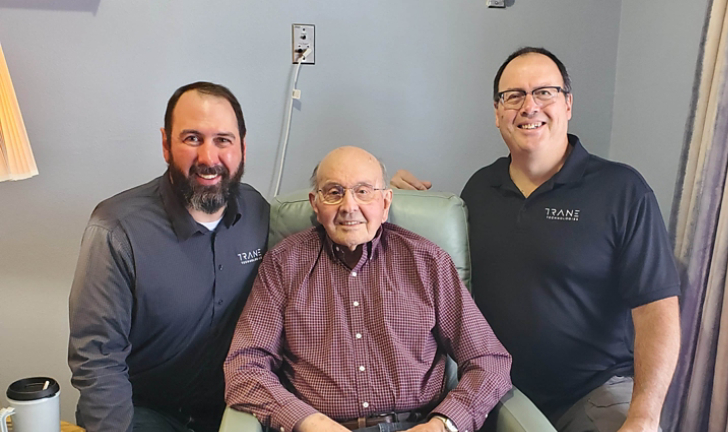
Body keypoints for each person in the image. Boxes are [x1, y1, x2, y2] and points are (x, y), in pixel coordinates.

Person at [391, 47, 681, 432]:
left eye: (544, 92)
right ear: (497, 113)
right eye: (514, 96)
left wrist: (644, 417)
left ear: (568, 104)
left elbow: (657, 312)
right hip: (500, 390)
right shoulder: (479, 189)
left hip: (594, 392)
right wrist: (402, 205)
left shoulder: (622, 190)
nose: (529, 106)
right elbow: (446, 277)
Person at [224, 146, 512, 432]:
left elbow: (489, 361)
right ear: (315, 203)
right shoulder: (283, 264)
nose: (349, 206)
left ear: (385, 203)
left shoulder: (428, 263)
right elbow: (245, 367)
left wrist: (442, 425)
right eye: (334, 192)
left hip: (418, 425)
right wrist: (305, 421)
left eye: (363, 191)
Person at [68, 82, 270, 432]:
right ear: (165, 144)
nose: (209, 158)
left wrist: (386, 194)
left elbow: (329, 227)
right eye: (192, 139)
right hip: (143, 413)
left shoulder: (259, 213)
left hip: (234, 412)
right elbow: (96, 358)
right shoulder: (115, 229)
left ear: (243, 148)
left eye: (223, 140)